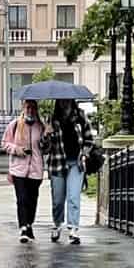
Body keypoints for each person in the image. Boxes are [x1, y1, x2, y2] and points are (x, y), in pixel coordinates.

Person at [41, 100, 96, 245]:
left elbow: (89, 140)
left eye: (67, 100)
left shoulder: (80, 117)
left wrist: (84, 154)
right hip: (57, 164)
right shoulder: (52, 119)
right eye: (61, 100)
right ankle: (57, 224)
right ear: (58, 102)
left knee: (73, 197)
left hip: (76, 164)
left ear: (72, 101)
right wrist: (46, 134)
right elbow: (44, 148)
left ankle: (73, 229)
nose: (64, 103)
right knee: (58, 200)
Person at [1, 99, 46, 243]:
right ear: (23, 108)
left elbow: (46, 148)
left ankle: (29, 224)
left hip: (35, 170)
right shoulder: (14, 125)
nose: (30, 110)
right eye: (28, 108)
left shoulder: (41, 126)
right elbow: (5, 144)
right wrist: (18, 150)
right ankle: (23, 228)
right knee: (21, 199)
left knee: (32, 200)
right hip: (18, 169)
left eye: (33, 108)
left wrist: (47, 136)